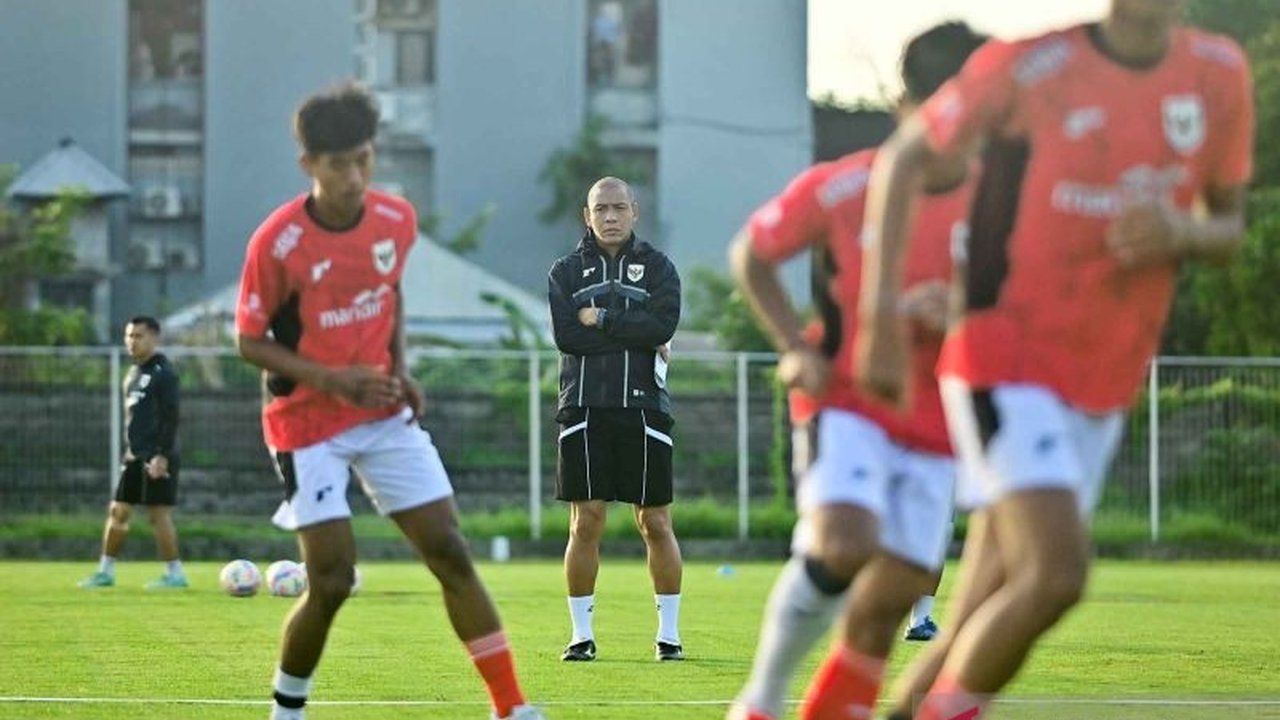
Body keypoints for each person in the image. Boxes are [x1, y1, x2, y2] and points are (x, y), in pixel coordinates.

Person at [855, 2, 1254, 718]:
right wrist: (880, 320)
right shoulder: (1030, 66)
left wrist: (1181, 232)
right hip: (1002, 355)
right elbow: (906, 156)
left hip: (1104, 372)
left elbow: (1227, 226)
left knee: (983, 602)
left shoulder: (1219, 74)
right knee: (1056, 574)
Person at [234, 83, 542, 720]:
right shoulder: (278, 243)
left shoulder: (396, 220)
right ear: (309, 166)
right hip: (304, 423)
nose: (353, 175)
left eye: (363, 159)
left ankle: (511, 708)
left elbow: (389, 293)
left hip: (380, 413)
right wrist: (334, 378)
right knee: (332, 580)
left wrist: (401, 370)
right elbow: (249, 340)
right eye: (337, 163)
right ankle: (286, 711)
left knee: (451, 551)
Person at [725, 21, 986, 720]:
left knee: (893, 597)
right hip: (848, 401)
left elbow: (1038, 299)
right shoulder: (845, 187)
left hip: (939, 421)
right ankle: (762, 698)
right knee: (844, 540)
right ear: (907, 106)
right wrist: (794, 345)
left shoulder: (1002, 203)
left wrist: (960, 306)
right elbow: (752, 253)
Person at [548, 176, 684, 663]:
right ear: (587, 215)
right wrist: (636, 333)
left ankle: (669, 635)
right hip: (583, 408)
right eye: (600, 208)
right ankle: (580, 635)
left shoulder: (660, 268)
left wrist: (602, 320)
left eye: (618, 207)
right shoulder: (565, 272)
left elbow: (662, 326)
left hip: (645, 407)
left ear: (635, 211)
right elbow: (568, 337)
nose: (610, 216)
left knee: (656, 522)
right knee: (587, 521)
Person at [79, 316, 188, 591]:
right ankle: (105, 571)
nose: (131, 341)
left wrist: (162, 455)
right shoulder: (132, 373)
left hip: (157, 455)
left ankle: (175, 574)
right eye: (129, 336)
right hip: (134, 455)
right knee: (118, 511)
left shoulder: (164, 373)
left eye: (138, 336)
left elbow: (171, 417)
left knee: (157, 515)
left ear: (154, 338)